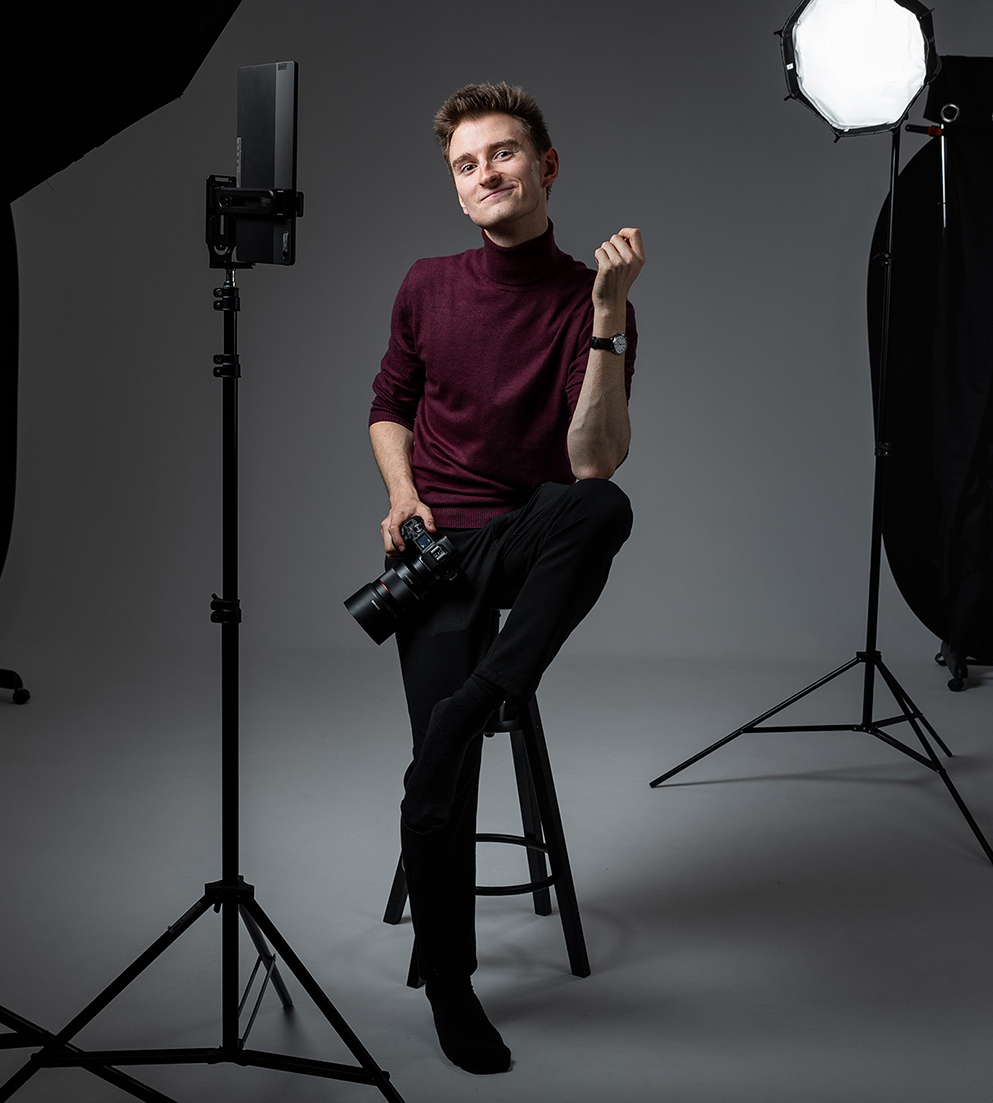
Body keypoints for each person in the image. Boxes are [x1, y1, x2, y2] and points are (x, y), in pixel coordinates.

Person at [367, 82, 645, 1074]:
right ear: (455, 185)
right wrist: (401, 492)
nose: (485, 173)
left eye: (503, 153)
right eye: (466, 163)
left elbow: (593, 460)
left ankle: (478, 699)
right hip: (439, 546)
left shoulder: (591, 297)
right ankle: (450, 981)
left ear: (546, 166)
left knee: (601, 508)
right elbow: (389, 404)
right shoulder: (425, 283)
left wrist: (606, 313)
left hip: (525, 532)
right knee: (440, 773)